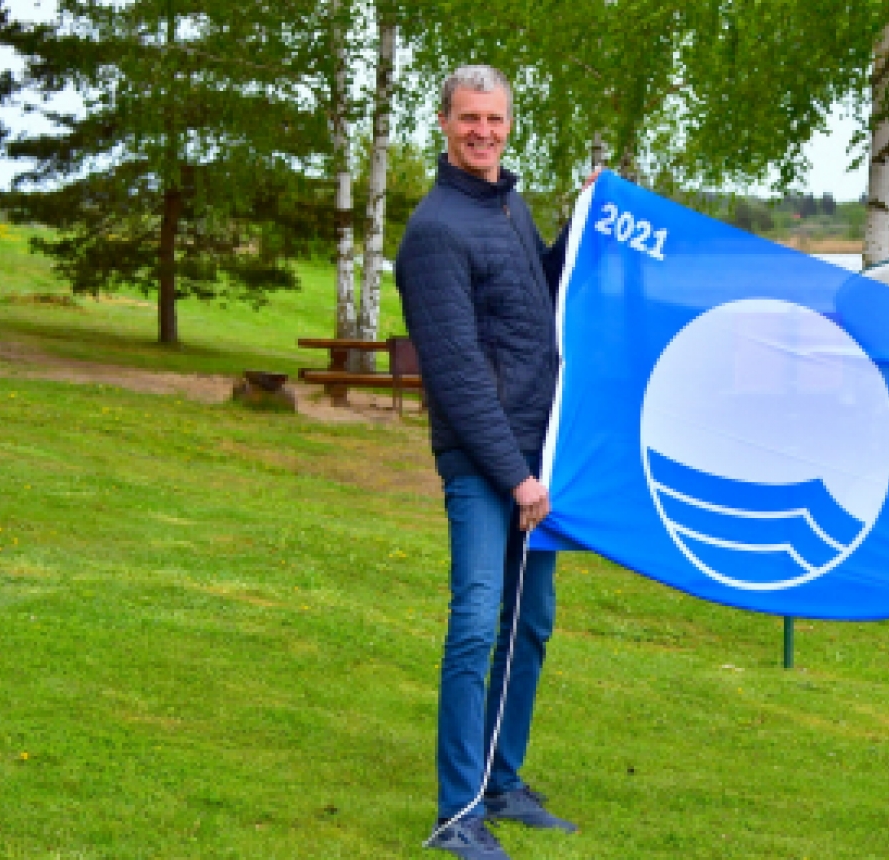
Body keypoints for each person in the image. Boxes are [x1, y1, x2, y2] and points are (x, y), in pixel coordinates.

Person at [395, 65, 581, 860]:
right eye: (468, 118)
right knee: (477, 624)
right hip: (487, 466)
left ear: (509, 124)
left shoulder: (508, 203)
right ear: (443, 123)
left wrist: (580, 223)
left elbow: (538, 297)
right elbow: (459, 373)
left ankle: (502, 782)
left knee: (528, 623)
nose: (482, 131)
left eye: (494, 119)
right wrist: (514, 474)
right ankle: (454, 813)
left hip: (534, 460)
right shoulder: (435, 231)